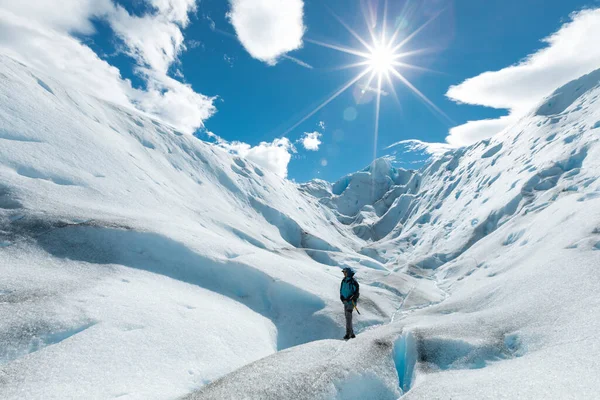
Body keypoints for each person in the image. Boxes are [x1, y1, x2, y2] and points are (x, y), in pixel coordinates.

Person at [339, 267, 359, 340]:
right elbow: (341, 290)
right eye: (343, 272)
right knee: (347, 317)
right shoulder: (343, 280)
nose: (344, 273)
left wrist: (351, 298)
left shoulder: (353, 281)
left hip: (351, 302)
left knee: (348, 316)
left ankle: (348, 334)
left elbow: (356, 292)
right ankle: (352, 333)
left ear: (348, 272)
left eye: (345, 272)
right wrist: (342, 297)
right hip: (345, 302)